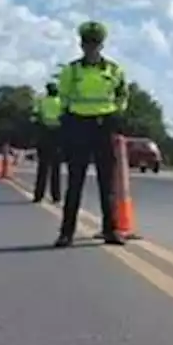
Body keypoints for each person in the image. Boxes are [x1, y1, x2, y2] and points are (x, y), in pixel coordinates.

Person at [55, 21, 129, 247]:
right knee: (75, 182)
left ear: (101, 45)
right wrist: (66, 120)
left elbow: (123, 94)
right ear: (81, 44)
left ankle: (110, 230)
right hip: (78, 126)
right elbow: (63, 97)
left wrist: (117, 113)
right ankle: (66, 233)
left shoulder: (114, 70)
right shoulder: (72, 70)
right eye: (87, 43)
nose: (91, 48)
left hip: (104, 125)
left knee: (107, 183)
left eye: (95, 43)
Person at [32, 81, 64, 204]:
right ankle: (56, 197)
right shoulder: (61, 102)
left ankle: (38, 196)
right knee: (56, 168)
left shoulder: (41, 101)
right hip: (58, 135)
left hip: (45, 134)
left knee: (43, 167)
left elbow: (34, 116)